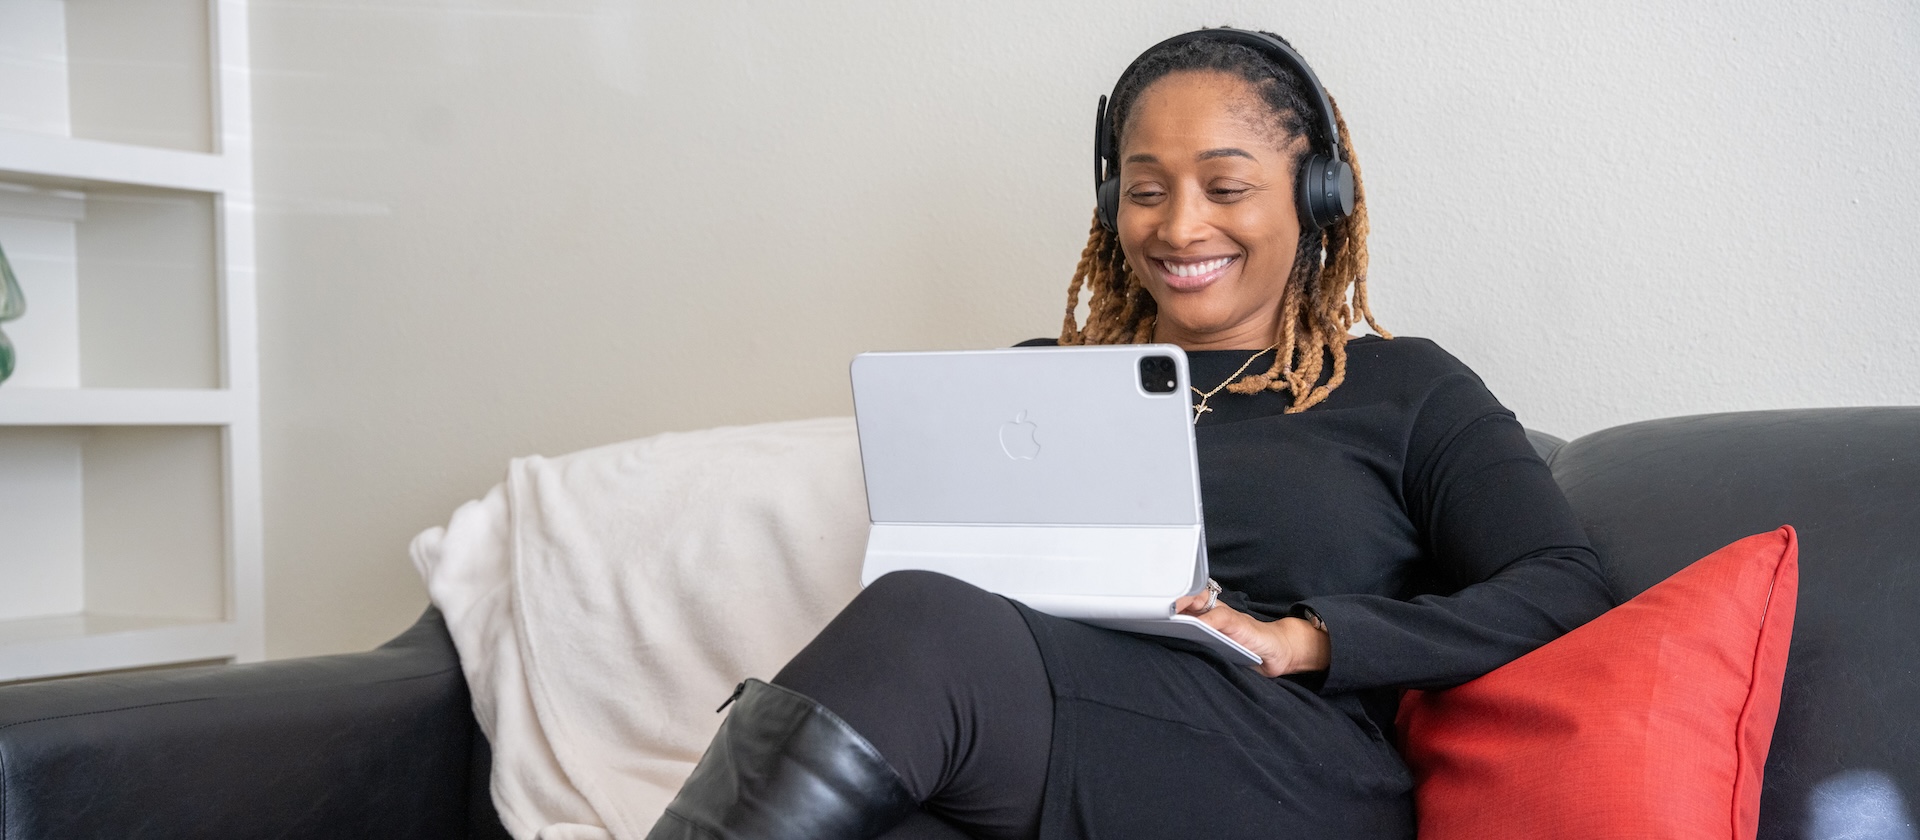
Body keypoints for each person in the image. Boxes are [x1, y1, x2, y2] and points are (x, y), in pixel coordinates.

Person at [647, 27, 1615, 840]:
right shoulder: (1042, 385)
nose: (1181, 227)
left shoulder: (1403, 390)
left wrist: (1309, 638)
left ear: (1316, 197)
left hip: (1287, 769)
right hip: (1054, 738)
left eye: (1225, 188)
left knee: (922, 622)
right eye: (1147, 191)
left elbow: (1563, 587)